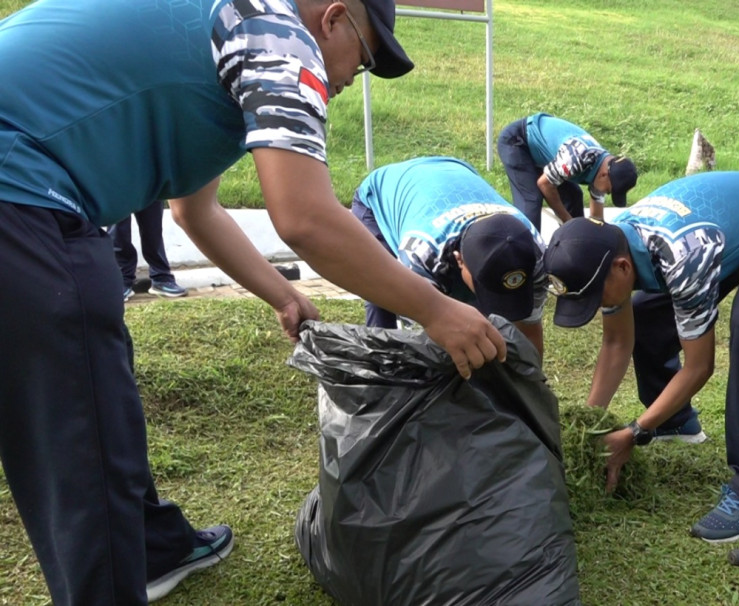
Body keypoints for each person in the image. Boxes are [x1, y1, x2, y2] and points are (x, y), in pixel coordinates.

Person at [0, 1, 505, 604]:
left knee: (95, 387)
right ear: (335, 18)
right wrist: (437, 309)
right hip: (21, 190)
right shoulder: (276, 33)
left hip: (27, 183)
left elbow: (196, 209)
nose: (349, 80)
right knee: (78, 431)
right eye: (364, 58)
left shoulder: (231, 27)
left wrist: (283, 294)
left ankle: (151, 547)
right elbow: (307, 219)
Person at [543, 171, 739, 543]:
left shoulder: (682, 256)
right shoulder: (611, 245)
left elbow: (700, 367)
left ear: (623, 268)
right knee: (646, 314)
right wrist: (588, 427)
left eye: (595, 297)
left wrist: (633, 432)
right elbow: (617, 343)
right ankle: (677, 422)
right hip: (722, 233)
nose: (596, 306)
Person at [351, 156, 548, 357]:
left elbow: (529, 333)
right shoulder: (421, 256)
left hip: (455, 171)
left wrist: (533, 384)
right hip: (382, 194)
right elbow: (427, 339)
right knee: (382, 298)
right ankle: (379, 368)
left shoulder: (535, 251)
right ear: (459, 260)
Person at [497, 112, 638, 230]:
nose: (606, 193)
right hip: (517, 141)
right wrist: (566, 219)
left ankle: (572, 250)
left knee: (573, 196)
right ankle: (526, 257)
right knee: (531, 200)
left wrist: (594, 236)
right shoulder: (578, 158)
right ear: (603, 175)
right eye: (608, 190)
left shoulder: (605, 168)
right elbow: (545, 184)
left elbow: (597, 219)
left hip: (547, 156)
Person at [110, 201, 188, 301]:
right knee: (118, 229)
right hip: (117, 186)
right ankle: (121, 280)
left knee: (153, 226)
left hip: (149, 185)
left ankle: (161, 277)